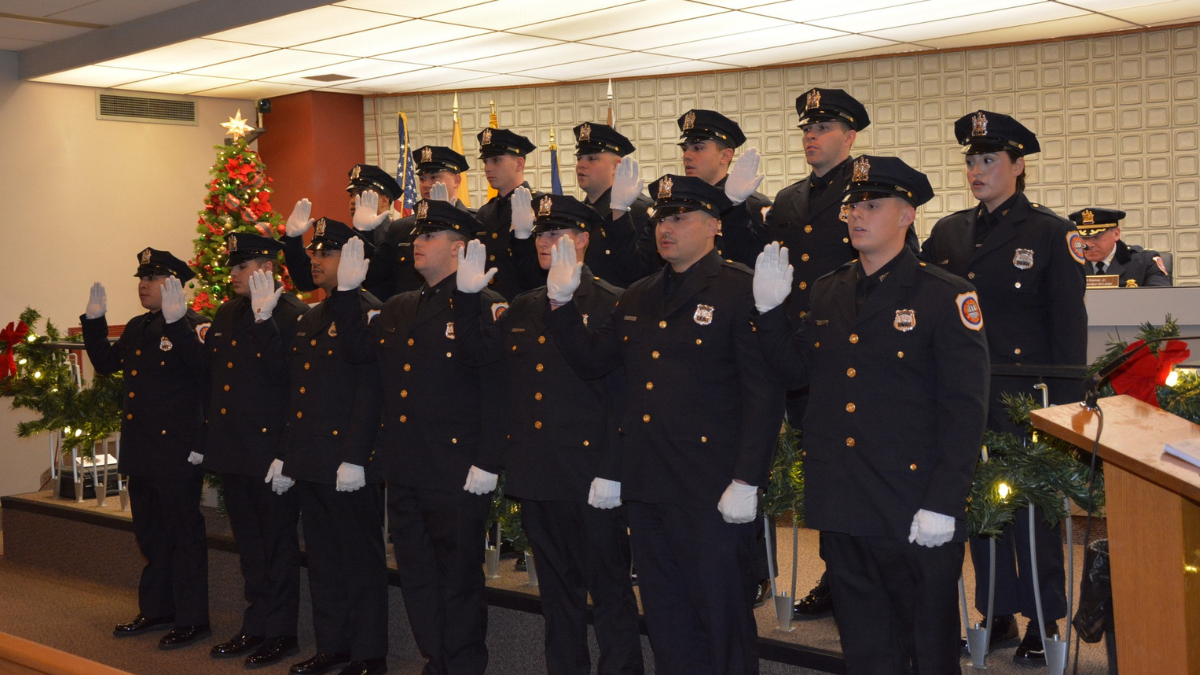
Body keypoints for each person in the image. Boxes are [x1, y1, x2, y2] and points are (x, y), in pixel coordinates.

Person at [752, 156, 990, 674]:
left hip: (913, 501)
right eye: (852, 206)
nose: (857, 215)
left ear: (907, 216)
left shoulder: (944, 295)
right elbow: (796, 371)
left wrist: (944, 503)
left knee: (928, 649)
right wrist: (770, 313)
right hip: (844, 499)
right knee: (864, 647)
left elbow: (965, 410)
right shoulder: (828, 289)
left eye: (872, 205)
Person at [545, 175, 785, 675]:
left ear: (715, 225)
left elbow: (763, 396)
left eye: (680, 217)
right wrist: (562, 307)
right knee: (667, 617)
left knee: (722, 619)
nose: (665, 227)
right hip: (650, 483)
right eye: (659, 217)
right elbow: (594, 363)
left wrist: (747, 479)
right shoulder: (639, 294)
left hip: (711, 486)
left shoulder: (740, 289)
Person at [921, 110, 1087, 665]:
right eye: (970, 160)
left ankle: (1044, 617)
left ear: (1019, 166)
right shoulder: (947, 232)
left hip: (1027, 400)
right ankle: (996, 613)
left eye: (989, 159)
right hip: (962, 397)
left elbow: (1068, 330)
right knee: (977, 507)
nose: (976, 169)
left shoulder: (1051, 232)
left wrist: (1063, 415)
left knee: (1031, 513)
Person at [453, 194, 644, 675]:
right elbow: (480, 360)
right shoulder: (523, 304)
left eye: (556, 234)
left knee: (610, 590)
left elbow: (624, 400)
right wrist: (464, 297)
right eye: (540, 233)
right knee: (557, 593)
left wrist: (612, 470)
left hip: (591, 475)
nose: (544, 241)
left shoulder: (613, 303)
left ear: (582, 240)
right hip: (539, 473)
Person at [331, 200, 505, 675]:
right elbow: (358, 355)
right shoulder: (400, 306)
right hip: (405, 465)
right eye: (418, 237)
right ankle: (437, 660)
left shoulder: (485, 305)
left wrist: (488, 461)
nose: (417, 245)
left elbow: (497, 391)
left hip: (456, 468)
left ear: (459, 248)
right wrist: (346, 293)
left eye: (430, 237)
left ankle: (464, 666)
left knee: (458, 578)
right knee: (418, 576)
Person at [267, 218, 388, 675]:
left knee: (360, 560)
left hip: (348, 462)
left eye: (326, 253)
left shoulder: (367, 312)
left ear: (353, 260)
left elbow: (371, 391)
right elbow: (299, 393)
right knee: (323, 561)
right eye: (314, 253)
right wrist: (287, 452)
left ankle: (368, 654)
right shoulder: (312, 314)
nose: (314, 260)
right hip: (313, 459)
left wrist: (356, 456)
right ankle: (333, 645)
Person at [81, 248, 212, 649]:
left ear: (173, 284)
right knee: (152, 535)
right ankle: (157, 609)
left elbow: (207, 377)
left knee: (183, 536)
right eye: (141, 278)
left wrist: (199, 444)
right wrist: (95, 321)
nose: (143, 285)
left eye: (152, 278)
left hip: (177, 452)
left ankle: (192, 619)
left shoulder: (195, 326)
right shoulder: (139, 327)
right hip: (142, 449)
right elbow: (105, 363)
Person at [198, 233, 308, 667]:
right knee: (249, 545)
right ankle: (256, 623)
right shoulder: (228, 313)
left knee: (277, 547)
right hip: (234, 449)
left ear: (267, 267)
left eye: (242, 266)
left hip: (270, 452)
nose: (233, 274)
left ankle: (282, 633)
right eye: (232, 266)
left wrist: (288, 453)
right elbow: (217, 382)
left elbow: (292, 385)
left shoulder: (292, 314)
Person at [283, 164, 404, 301]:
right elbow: (306, 281)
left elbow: (371, 276)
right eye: (352, 195)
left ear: (384, 200)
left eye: (362, 194)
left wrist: (364, 232)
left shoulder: (397, 235)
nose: (353, 201)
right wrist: (293, 240)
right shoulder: (346, 236)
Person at [384, 145, 475, 293]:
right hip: (412, 311)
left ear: (457, 180)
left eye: (434, 177)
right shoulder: (401, 228)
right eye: (422, 178)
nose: (426, 184)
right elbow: (376, 279)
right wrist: (365, 231)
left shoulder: (475, 224)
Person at [474, 127, 537, 299]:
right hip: (489, 307)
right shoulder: (484, 213)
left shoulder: (539, 207)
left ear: (519, 164)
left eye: (496, 160)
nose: (487, 168)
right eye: (486, 161)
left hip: (525, 304)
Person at [1070, 207, 1171, 287]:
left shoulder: (1145, 262)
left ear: (1116, 234)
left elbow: (1161, 299)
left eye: (1096, 237)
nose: (1088, 245)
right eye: (1083, 237)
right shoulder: (1071, 263)